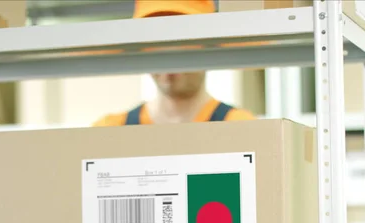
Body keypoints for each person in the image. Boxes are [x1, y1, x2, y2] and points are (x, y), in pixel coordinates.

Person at [93, 0, 257, 127]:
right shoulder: (110, 131)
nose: (168, 51)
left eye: (183, 37)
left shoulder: (241, 126)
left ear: (210, 44)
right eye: (155, 39)